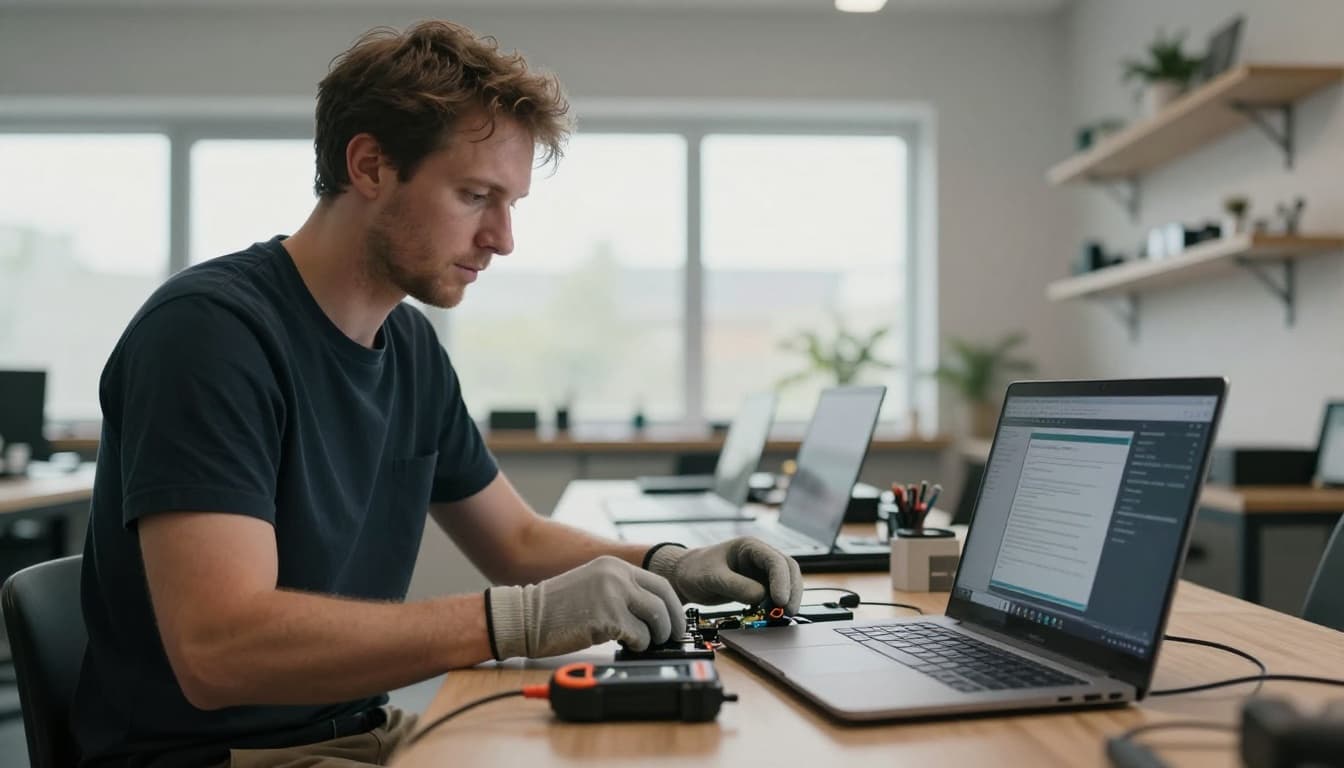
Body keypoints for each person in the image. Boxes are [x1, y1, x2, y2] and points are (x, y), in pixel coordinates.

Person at [71, 19, 804, 768]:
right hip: (220, 757)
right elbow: (219, 651)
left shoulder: (410, 346)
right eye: (475, 195)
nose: (503, 238)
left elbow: (516, 541)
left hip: (359, 732)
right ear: (370, 166)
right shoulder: (210, 335)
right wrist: (518, 621)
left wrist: (669, 563)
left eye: (510, 202)